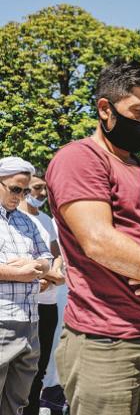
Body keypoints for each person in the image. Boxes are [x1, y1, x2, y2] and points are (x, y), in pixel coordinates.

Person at [46, 60, 140, 414]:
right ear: (105, 109)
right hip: (106, 343)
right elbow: (98, 240)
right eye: (139, 111)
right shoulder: (80, 159)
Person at [0, 157, 52, 415]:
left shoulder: (26, 222)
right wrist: (15, 273)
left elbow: (47, 260)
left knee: (18, 402)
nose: (20, 196)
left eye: (24, 190)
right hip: (1, 321)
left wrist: (35, 267)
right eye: (15, 189)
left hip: (30, 323)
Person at [19, 169, 65, 415]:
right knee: (20, 368)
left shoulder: (46, 220)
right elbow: (20, 260)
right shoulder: (15, 219)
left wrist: (53, 272)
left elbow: (56, 254)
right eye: (37, 188)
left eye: (44, 189)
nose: (42, 193)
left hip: (49, 303)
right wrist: (47, 275)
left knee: (41, 366)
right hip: (24, 303)